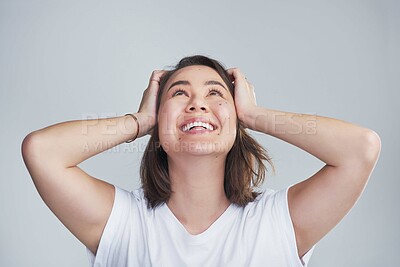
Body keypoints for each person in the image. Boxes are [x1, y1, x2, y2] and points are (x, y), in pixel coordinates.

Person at [21, 55, 381, 267]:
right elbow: (42, 150)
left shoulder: (276, 222)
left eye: (214, 93)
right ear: (159, 122)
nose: (197, 104)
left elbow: (360, 148)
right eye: (179, 94)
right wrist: (139, 122)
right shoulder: (124, 222)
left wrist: (253, 115)